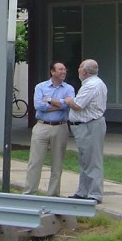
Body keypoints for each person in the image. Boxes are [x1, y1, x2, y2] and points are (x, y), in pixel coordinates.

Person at [23, 62, 75, 196]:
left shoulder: (69, 88)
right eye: (60, 69)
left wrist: (50, 100)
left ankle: (53, 195)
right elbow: (38, 105)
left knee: (57, 165)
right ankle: (29, 193)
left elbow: (68, 104)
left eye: (64, 69)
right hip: (41, 126)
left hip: (60, 127)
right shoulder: (40, 87)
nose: (63, 72)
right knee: (35, 162)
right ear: (52, 72)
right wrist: (60, 103)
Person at [64, 58, 108, 203]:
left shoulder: (91, 85)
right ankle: (83, 191)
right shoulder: (94, 83)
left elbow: (78, 105)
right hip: (85, 125)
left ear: (84, 71)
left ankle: (94, 194)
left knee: (92, 160)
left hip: (90, 125)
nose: (78, 70)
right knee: (85, 160)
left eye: (79, 67)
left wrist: (68, 100)